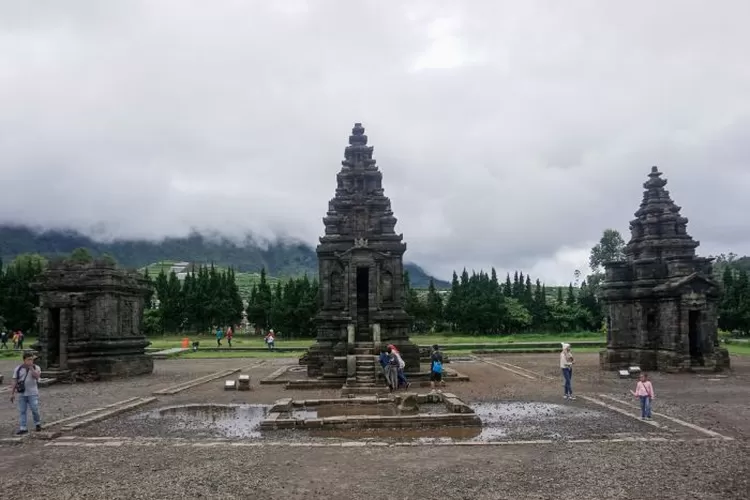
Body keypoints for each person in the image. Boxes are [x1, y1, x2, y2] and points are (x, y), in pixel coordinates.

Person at [10, 352, 42, 435]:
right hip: (22, 393)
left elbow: (37, 377)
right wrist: (12, 393)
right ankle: (23, 427)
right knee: (22, 411)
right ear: (24, 360)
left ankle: (37, 423)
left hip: (33, 393)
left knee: (34, 409)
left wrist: (31, 369)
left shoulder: (36, 367)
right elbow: (15, 381)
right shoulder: (18, 369)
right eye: (28, 359)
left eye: (31, 359)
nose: (30, 361)